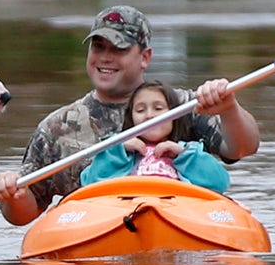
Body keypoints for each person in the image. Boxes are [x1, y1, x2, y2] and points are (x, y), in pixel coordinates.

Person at [0, 5, 260, 226]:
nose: (105, 57)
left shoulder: (183, 105)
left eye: (119, 49)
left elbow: (244, 148)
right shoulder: (57, 127)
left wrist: (228, 108)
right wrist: (12, 195)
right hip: (95, 239)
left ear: (145, 57)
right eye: (98, 47)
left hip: (179, 226)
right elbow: (23, 215)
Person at [78, 80, 230, 193]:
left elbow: (220, 182)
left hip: (176, 213)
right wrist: (117, 150)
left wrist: (184, 155)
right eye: (140, 110)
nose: (149, 116)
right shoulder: (118, 151)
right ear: (132, 119)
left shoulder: (188, 151)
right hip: (127, 213)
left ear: (174, 115)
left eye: (158, 108)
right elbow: (90, 183)